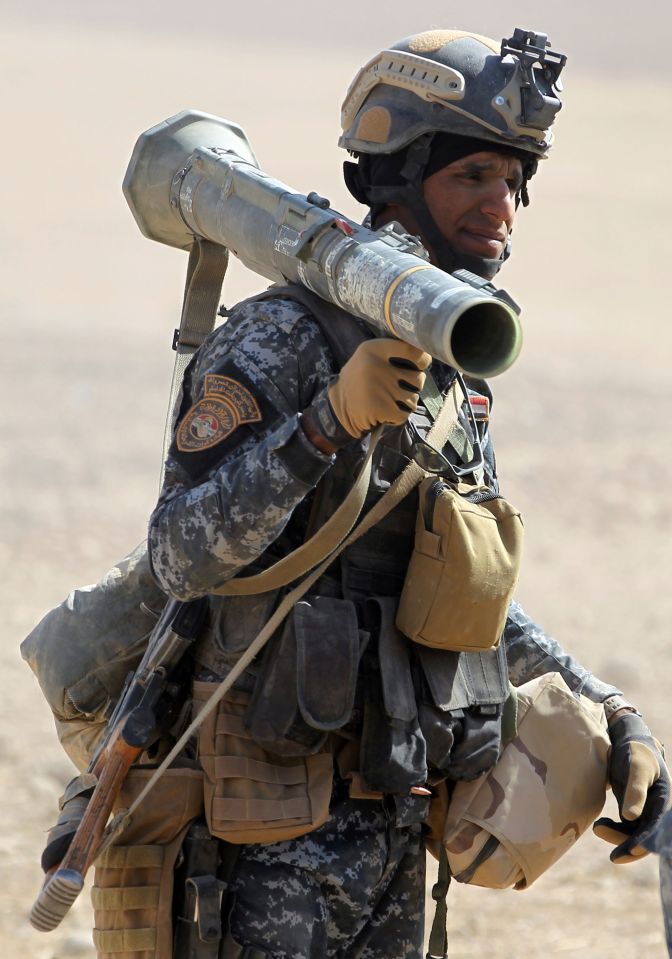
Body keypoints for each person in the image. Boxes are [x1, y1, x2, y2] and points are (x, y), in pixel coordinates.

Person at [91, 28, 670, 959]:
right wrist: (324, 424)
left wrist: (608, 710)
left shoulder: (455, 369)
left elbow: (454, 588)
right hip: (260, 844)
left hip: (396, 821)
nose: (503, 207)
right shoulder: (282, 337)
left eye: (515, 180)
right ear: (400, 174)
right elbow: (181, 553)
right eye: (474, 175)